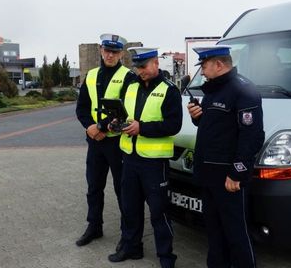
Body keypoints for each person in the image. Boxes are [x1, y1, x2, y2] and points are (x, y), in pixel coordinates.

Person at [187, 45, 264, 268]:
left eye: (203, 65)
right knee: (213, 231)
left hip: (228, 178)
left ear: (218, 64)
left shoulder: (243, 90)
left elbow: (252, 136)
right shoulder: (213, 90)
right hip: (208, 174)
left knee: (236, 233)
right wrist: (197, 118)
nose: (201, 71)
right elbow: (217, 128)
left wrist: (237, 173)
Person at [107, 47, 182, 268]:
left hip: (154, 162)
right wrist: (115, 124)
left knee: (159, 212)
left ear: (156, 63)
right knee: (130, 208)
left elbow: (173, 125)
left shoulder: (169, 90)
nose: (140, 71)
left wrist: (142, 128)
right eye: (137, 67)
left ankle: (166, 257)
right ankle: (132, 248)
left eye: (144, 66)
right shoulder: (130, 87)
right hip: (130, 158)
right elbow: (123, 115)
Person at [75, 33, 135, 250]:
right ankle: (94, 227)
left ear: (120, 54)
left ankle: (127, 234)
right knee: (94, 186)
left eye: (115, 52)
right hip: (95, 142)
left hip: (116, 142)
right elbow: (82, 107)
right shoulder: (90, 75)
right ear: (101, 50)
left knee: (122, 189)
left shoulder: (128, 77)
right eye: (107, 50)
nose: (110, 55)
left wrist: (101, 127)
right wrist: (90, 127)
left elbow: (127, 110)